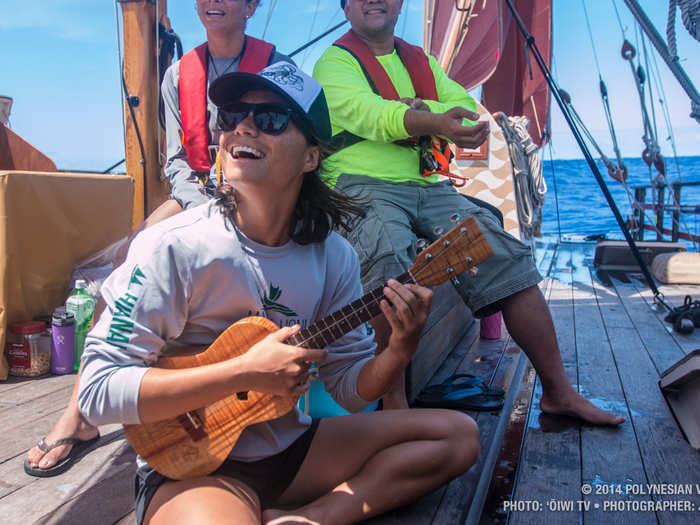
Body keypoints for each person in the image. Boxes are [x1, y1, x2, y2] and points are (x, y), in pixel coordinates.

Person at [76, 63, 479, 525]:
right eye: (230, 116)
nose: (242, 127)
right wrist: (242, 371)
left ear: (311, 156)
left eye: (269, 119)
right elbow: (97, 390)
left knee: (457, 436)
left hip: (294, 451)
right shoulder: (174, 246)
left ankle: (313, 517)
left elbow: (348, 389)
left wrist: (398, 352)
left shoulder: (334, 256)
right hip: (191, 466)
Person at [312, 0, 625, 425]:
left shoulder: (418, 60)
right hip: (360, 184)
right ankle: (394, 405)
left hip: (427, 185)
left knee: (505, 255)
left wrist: (453, 118)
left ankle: (558, 392)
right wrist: (430, 118)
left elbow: (459, 99)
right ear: (345, 7)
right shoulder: (335, 62)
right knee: (388, 259)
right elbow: (367, 114)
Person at [24, 0, 291, 477]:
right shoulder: (177, 77)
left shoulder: (278, 69)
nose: (213, 2)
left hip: (259, 194)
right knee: (128, 259)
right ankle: (81, 411)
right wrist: (209, 200)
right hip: (200, 193)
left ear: (252, 6)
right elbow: (174, 162)